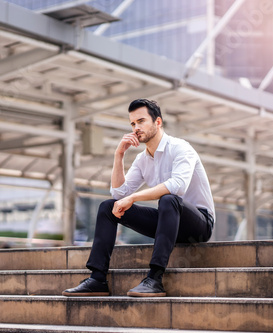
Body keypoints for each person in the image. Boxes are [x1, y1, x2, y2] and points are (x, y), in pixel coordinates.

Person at [63, 98, 215, 297]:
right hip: (167, 223)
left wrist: (133, 198)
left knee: (169, 199)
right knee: (109, 207)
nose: (136, 128)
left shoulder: (180, 148)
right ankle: (97, 279)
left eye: (141, 121)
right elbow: (118, 194)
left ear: (158, 122)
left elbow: (177, 185)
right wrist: (119, 155)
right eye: (133, 124)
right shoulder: (142, 159)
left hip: (199, 226)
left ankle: (154, 279)